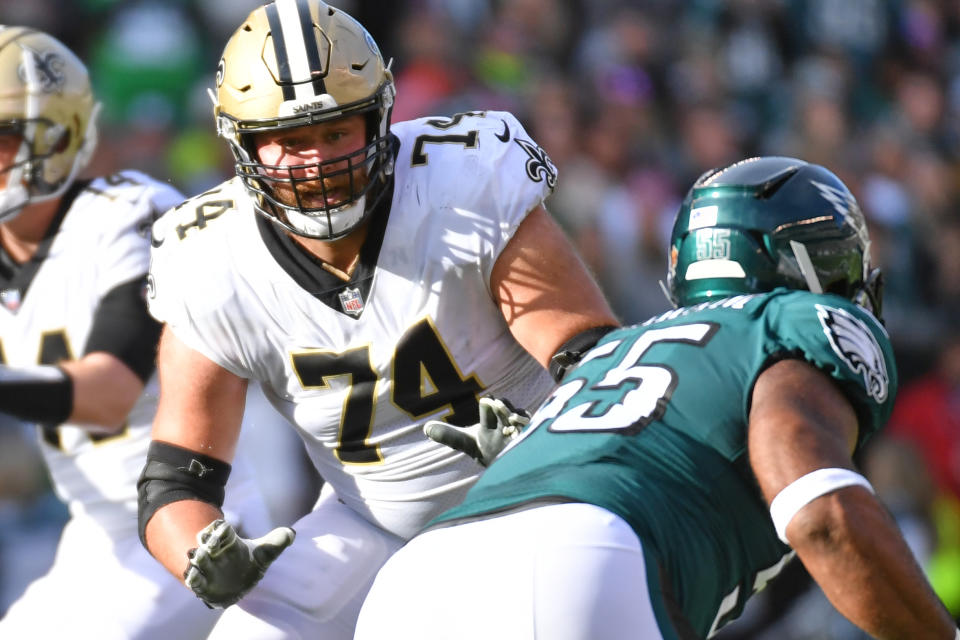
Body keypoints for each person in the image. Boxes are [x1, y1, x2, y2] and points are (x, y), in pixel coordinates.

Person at [138, 0, 618, 637]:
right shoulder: (211, 260)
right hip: (372, 518)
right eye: (292, 141)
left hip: (547, 482)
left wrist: (545, 440)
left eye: (336, 132)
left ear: (379, 119)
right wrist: (200, 557)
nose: (319, 163)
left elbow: (594, 357)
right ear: (245, 144)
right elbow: (174, 482)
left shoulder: (462, 182)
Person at [355, 156, 960, 640]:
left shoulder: (615, 350)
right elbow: (816, 508)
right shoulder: (796, 320)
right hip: (583, 565)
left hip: (412, 585)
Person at [0, 26, 275, 639]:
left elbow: (108, 393)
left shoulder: (129, 216)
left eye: (0, 139)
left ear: (58, 134)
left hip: (189, 517)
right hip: (91, 533)